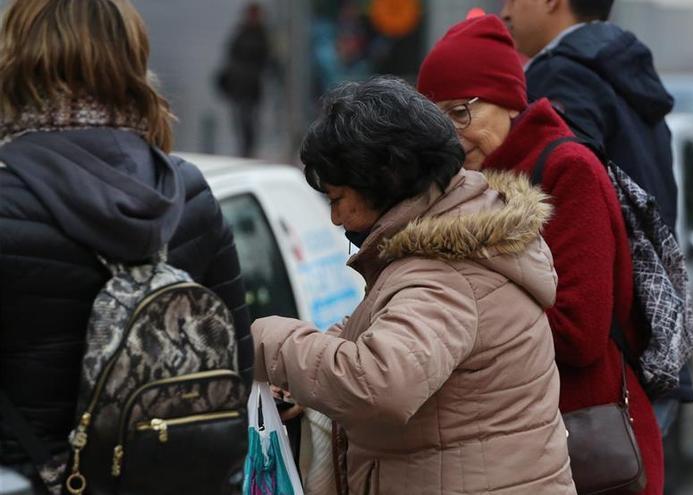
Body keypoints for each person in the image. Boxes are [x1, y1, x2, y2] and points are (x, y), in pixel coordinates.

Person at [250, 76, 576, 495]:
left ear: (384, 181)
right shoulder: (457, 239)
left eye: (336, 199)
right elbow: (384, 331)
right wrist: (308, 377)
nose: (334, 219)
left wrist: (269, 343)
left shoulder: (444, 274)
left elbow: (380, 385)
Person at [0, 0, 252, 491]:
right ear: (132, 62)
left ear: (17, 61)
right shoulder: (188, 192)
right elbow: (236, 368)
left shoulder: (7, 202)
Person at [417, 15, 663, 493]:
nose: (450, 134)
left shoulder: (566, 170)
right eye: (435, 119)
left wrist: (463, 318)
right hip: (516, 444)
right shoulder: (465, 184)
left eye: (461, 112)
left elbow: (580, 332)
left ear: (509, 99)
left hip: (585, 445)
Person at [500, 0, 693, 430]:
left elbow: (574, 196)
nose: (504, 9)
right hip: (651, 338)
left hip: (603, 362)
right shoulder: (624, 68)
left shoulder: (558, 76)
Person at [217, 2, 275, 157]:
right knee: (240, 118)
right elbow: (230, 56)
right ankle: (244, 148)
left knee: (249, 118)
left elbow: (268, 61)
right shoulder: (241, 32)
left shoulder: (263, 35)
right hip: (239, 84)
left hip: (253, 84)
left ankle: (249, 149)